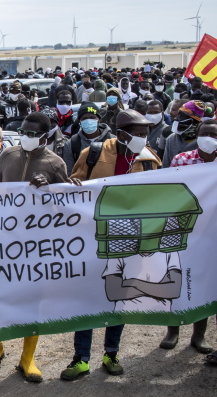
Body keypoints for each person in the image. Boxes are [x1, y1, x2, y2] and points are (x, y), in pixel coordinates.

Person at [0, 112, 75, 382]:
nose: (26, 137)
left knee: (32, 300)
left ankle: (27, 358)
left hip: (35, 245)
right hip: (3, 240)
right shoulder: (8, 155)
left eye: (32, 133)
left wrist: (51, 188)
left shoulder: (54, 163)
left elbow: (66, 203)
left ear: (46, 135)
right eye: (23, 132)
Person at [60, 110, 162, 381]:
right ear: (121, 134)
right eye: (138, 135)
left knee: (120, 298)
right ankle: (80, 359)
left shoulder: (150, 161)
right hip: (92, 240)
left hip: (129, 243)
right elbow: (75, 188)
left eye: (145, 134)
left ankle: (111, 353)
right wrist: (73, 185)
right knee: (86, 300)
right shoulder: (93, 153)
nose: (143, 139)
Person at [157, 118, 217, 360]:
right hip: (183, 230)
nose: (209, 137)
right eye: (205, 133)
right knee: (177, 279)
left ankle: (198, 335)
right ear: (197, 134)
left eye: (214, 133)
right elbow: (169, 191)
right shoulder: (182, 159)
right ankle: (173, 330)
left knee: (205, 284)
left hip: (212, 233)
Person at [162, 100, 205, 168]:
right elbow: (165, 167)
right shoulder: (171, 139)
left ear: (192, 121)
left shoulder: (204, 142)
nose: (176, 118)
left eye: (180, 116)